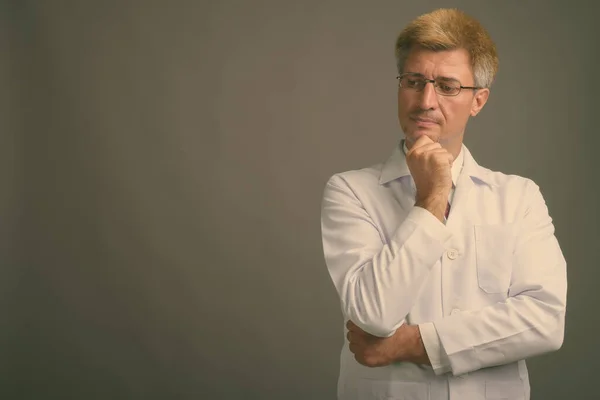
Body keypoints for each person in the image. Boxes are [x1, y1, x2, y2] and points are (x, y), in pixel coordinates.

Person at [320, 8, 567, 400]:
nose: (426, 100)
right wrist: (431, 197)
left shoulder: (518, 197)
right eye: (414, 81)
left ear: (478, 100)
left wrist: (411, 344)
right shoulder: (351, 191)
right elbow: (372, 313)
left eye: (448, 86)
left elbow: (546, 321)